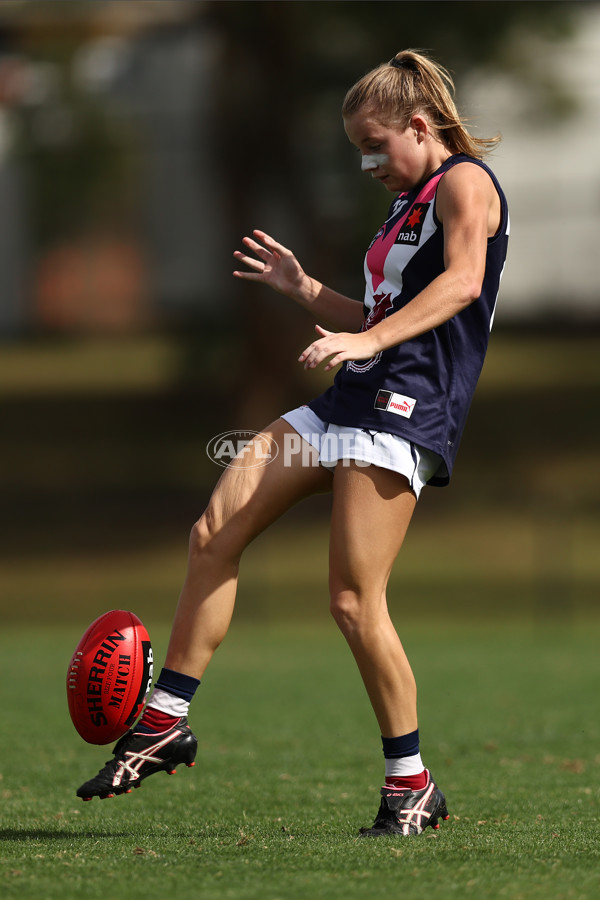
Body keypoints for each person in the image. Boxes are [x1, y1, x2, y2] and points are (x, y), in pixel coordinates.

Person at [77, 49, 509, 837]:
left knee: (351, 600)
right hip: (353, 395)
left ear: (420, 125)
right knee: (214, 532)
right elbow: (381, 307)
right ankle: (166, 719)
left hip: (405, 409)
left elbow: (463, 285)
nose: (368, 162)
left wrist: (366, 338)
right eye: (358, 150)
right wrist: (307, 291)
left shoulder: (466, 184)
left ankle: (410, 782)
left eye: (376, 144)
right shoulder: (404, 205)